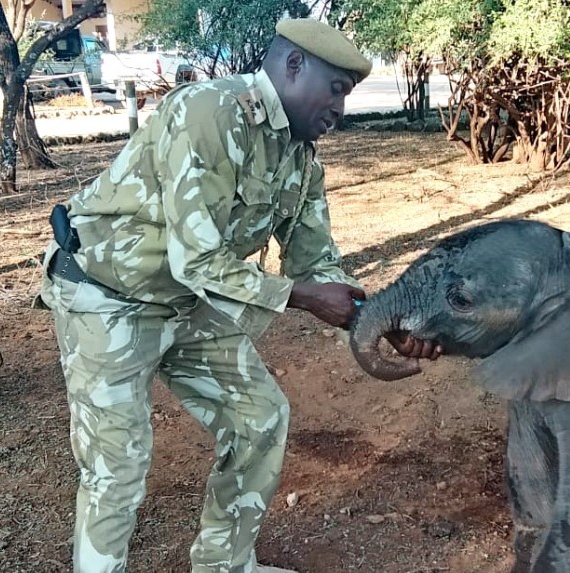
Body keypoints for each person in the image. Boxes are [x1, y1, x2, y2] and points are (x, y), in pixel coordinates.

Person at [38, 18, 441, 573]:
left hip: (186, 300)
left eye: (346, 95)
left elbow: (315, 262)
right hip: (108, 298)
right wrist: (302, 297)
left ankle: (224, 565)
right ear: (294, 65)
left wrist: (377, 319)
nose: (340, 109)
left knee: (259, 418)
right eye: (335, 90)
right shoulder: (206, 113)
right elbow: (198, 261)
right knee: (117, 465)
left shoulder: (301, 158)